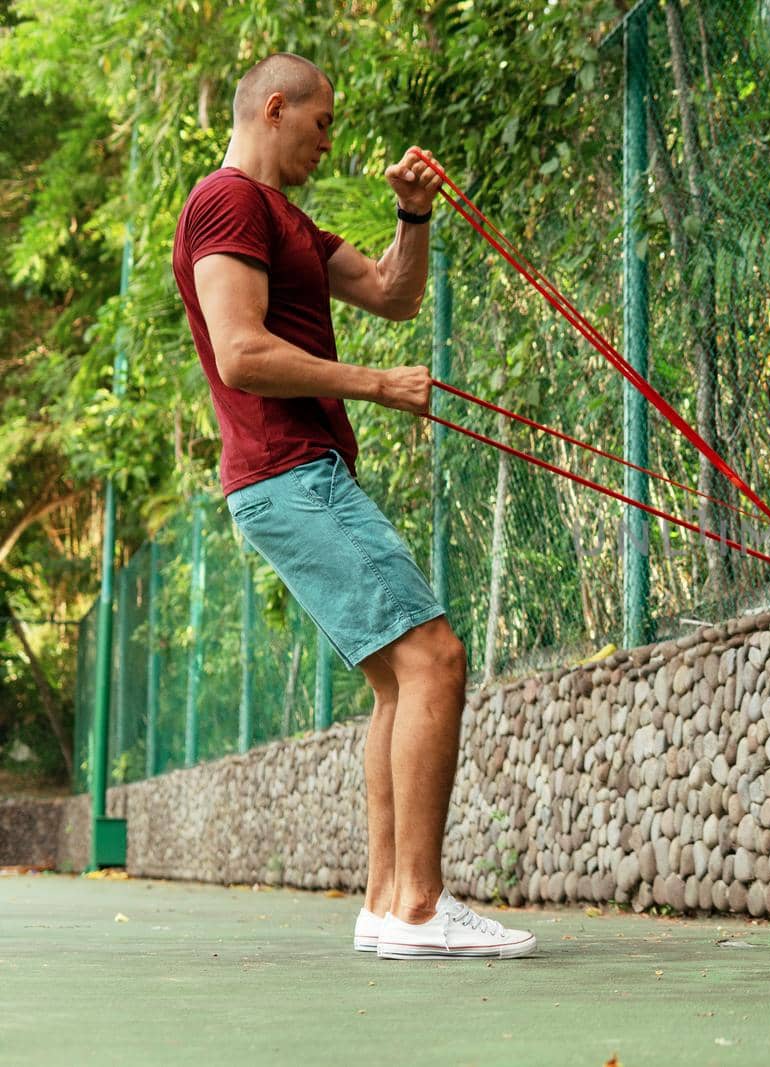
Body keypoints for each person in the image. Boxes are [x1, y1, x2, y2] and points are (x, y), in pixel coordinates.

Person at [171, 52, 535, 960]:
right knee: (437, 658)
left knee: (396, 681)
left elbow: (391, 293)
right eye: (321, 124)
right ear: (276, 108)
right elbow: (242, 355)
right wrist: (373, 383)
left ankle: (385, 901)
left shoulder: (283, 217)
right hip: (290, 472)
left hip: (303, 472)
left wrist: (413, 214)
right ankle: (420, 904)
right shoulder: (227, 204)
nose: (329, 142)